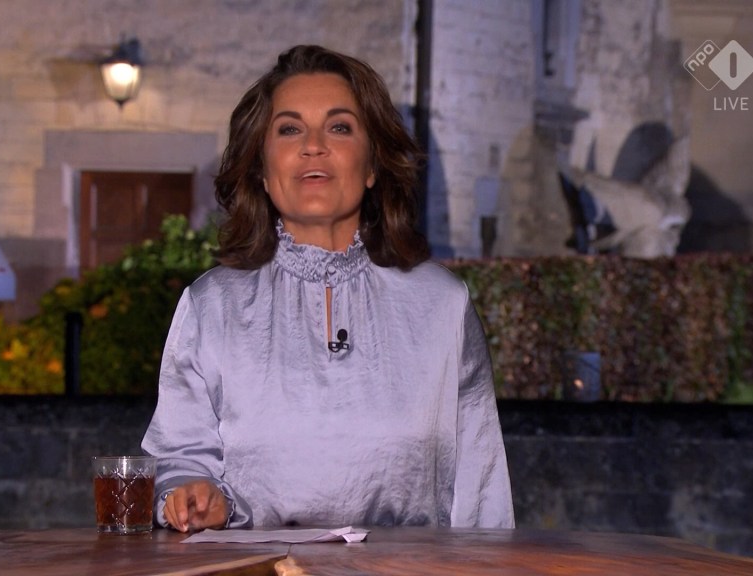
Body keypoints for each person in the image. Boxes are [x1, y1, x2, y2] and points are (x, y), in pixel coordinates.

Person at [141, 44, 514, 532]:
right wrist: (191, 494)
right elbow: (177, 463)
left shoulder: (442, 305)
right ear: (261, 168)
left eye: (339, 127)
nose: (313, 146)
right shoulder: (212, 307)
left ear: (373, 164)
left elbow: (482, 491)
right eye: (289, 129)